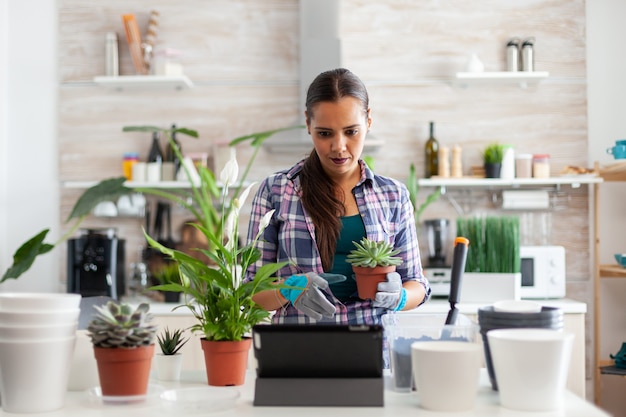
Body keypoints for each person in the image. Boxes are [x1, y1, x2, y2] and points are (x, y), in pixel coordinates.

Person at [244, 68, 430, 325]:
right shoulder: (276, 192)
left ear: (368, 122)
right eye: (325, 133)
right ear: (308, 124)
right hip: (297, 349)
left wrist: (399, 296)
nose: (339, 146)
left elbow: (417, 284)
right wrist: (287, 289)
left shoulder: (393, 196)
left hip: (372, 347)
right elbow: (250, 291)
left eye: (351, 132)